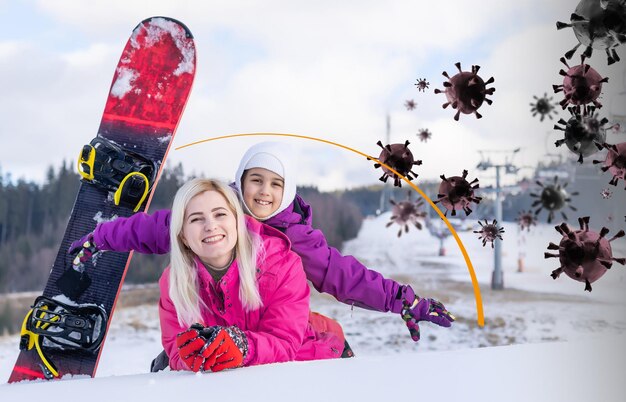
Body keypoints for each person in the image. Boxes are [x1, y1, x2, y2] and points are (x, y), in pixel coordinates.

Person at [70, 142, 454, 349]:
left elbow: (345, 277)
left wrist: (403, 300)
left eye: (275, 183)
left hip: (275, 335)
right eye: (256, 180)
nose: (264, 192)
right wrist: (101, 236)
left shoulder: (296, 239)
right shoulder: (218, 211)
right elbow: (159, 228)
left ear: (288, 190)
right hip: (221, 331)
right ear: (241, 180)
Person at [144, 178, 344, 372]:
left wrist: (241, 346)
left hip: (310, 360)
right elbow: (176, 350)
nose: (210, 226)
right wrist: (191, 356)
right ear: (183, 236)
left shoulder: (282, 264)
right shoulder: (174, 282)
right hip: (233, 375)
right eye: (196, 219)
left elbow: (285, 343)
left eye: (220, 214)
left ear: (237, 222)